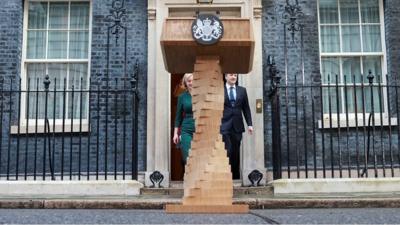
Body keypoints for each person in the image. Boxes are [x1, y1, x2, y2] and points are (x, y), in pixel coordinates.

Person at [220, 73, 253, 179]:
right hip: (224, 125)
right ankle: (225, 175)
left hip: (237, 126)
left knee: (235, 152)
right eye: (231, 75)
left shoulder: (242, 90)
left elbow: (246, 108)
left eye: (235, 75)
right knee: (227, 150)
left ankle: (234, 176)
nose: (233, 77)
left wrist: (250, 124)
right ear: (225, 77)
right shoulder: (220, 90)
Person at [173, 73, 195, 165]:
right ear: (185, 83)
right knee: (187, 157)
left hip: (201, 128)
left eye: (193, 80)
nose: (191, 83)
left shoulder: (201, 95)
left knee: (200, 156)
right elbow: (178, 117)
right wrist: (175, 134)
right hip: (186, 129)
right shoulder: (182, 97)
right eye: (189, 81)